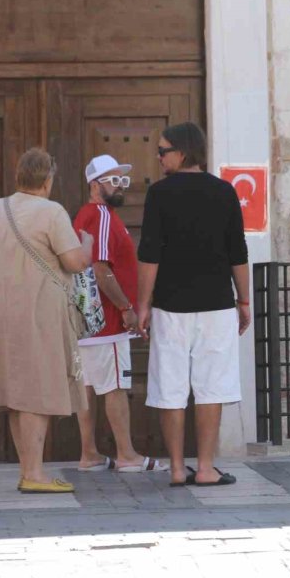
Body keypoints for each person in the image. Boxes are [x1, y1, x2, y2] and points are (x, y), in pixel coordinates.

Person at [0, 148, 92, 494]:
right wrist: (88, 246)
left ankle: (28, 470)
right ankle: (34, 474)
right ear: (48, 180)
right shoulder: (52, 212)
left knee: (18, 392)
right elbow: (75, 262)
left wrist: (3, 270)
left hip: (0, 313)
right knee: (37, 390)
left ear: (19, 175)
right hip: (39, 312)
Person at [136, 122, 251, 488]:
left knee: (170, 387)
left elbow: (149, 254)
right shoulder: (224, 192)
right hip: (216, 305)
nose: (158, 157)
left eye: (163, 150)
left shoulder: (159, 194)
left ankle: (175, 467)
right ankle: (204, 467)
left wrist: (142, 304)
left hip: (170, 307)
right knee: (211, 388)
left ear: (183, 152)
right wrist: (244, 299)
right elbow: (238, 252)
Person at [72, 155, 167, 472]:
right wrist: (127, 308)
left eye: (123, 180)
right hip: (108, 321)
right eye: (114, 180)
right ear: (95, 184)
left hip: (88, 319)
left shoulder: (89, 215)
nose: (121, 186)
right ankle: (127, 455)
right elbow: (100, 268)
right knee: (114, 386)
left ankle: (89, 453)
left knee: (88, 386)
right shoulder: (99, 215)